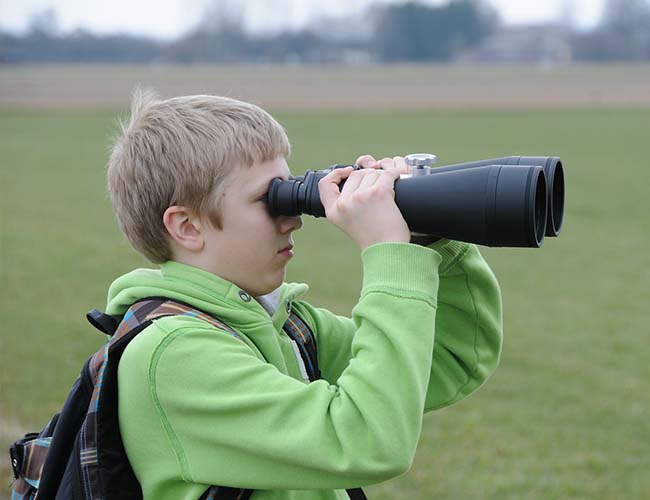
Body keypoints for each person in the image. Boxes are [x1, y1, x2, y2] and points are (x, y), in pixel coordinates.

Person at [105, 90, 503, 500]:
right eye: (269, 199)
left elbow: (449, 358)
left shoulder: (287, 327)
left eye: (291, 190)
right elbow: (366, 442)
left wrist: (428, 233)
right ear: (187, 226)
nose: (293, 218)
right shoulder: (172, 354)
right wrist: (390, 256)